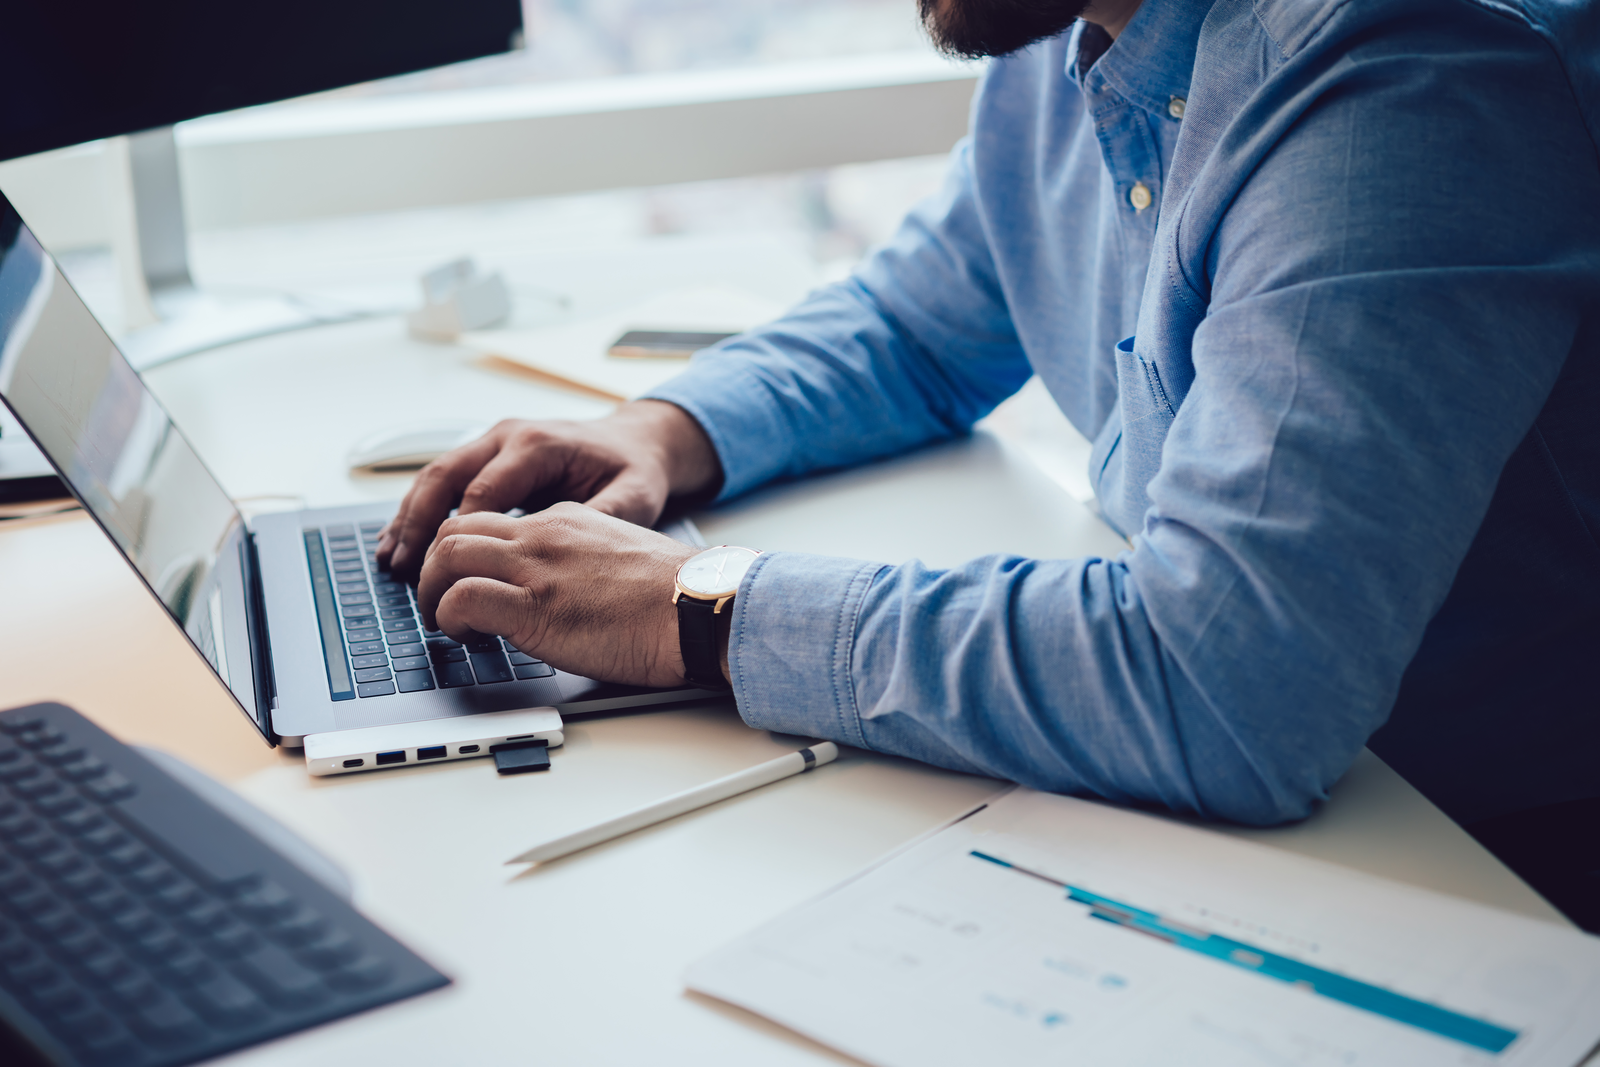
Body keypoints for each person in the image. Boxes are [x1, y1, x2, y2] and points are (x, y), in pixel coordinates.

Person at [378, 0, 1600, 926]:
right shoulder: (1079, 41)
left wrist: (696, 607)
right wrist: (661, 431)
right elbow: (918, 327)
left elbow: (1226, 687)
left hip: (1473, 863)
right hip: (1255, 809)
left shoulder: (1409, 88)